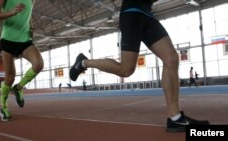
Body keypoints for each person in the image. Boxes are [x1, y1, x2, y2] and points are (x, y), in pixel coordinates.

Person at [70, 0, 209, 132]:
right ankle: (83, 62)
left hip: (147, 14)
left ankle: (175, 118)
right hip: (132, 13)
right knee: (126, 70)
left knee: (171, 59)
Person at [0, 0, 43, 121]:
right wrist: (12, 12)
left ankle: (18, 88)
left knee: (39, 64)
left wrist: (31, 25)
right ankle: (3, 107)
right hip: (8, 39)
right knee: (10, 77)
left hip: (25, 39)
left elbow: (28, 13)